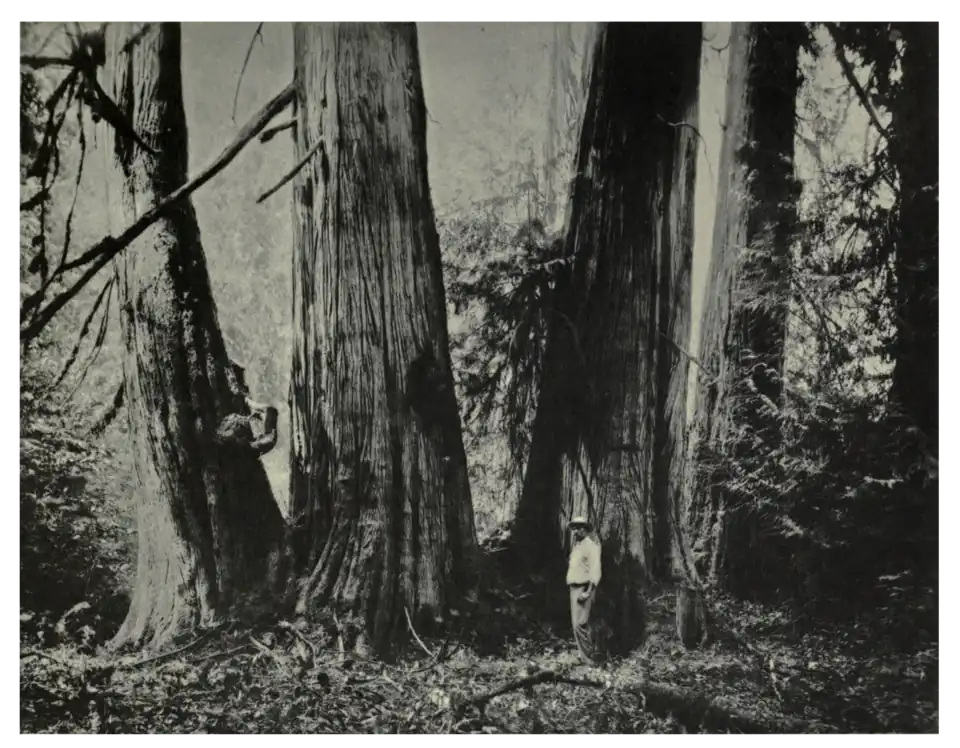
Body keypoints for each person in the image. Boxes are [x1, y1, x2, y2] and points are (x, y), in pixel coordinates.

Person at [566, 517, 602, 662]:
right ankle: (583, 655)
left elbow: (595, 570)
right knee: (576, 625)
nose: (575, 532)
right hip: (574, 587)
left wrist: (588, 591)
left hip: (584, 587)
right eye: (573, 528)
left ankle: (590, 659)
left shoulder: (591, 546)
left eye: (577, 528)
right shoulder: (577, 547)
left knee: (581, 624)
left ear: (584, 530)